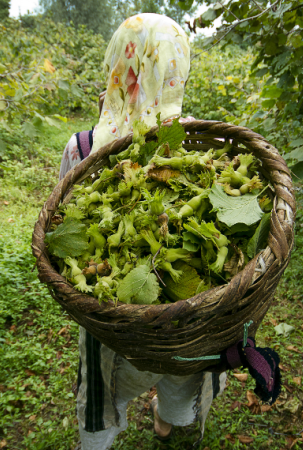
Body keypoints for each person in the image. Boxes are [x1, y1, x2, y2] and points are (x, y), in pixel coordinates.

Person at [57, 13, 227, 450]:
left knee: (108, 377)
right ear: (177, 71)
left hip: (113, 315)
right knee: (182, 365)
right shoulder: (198, 141)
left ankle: (130, 431)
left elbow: (60, 222)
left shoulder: (81, 147)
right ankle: (166, 423)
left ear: (117, 64)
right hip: (185, 315)